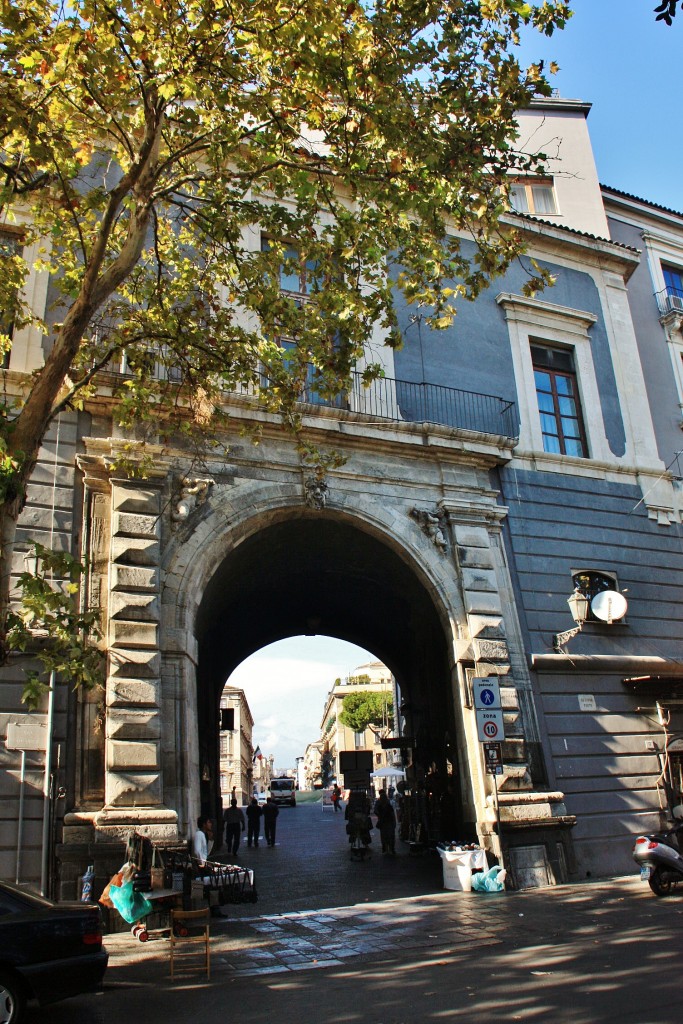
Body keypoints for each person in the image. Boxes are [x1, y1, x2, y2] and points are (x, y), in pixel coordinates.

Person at [374, 790, 397, 855]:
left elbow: (376, 811)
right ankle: (391, 849)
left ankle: (385, 849)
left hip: (383, 823)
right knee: (390, 836)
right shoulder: (389, 805)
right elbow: (392, 815)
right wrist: (394, 823)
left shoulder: (380, 805)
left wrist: (379, 816)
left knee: (384, 836)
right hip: (389, 822)